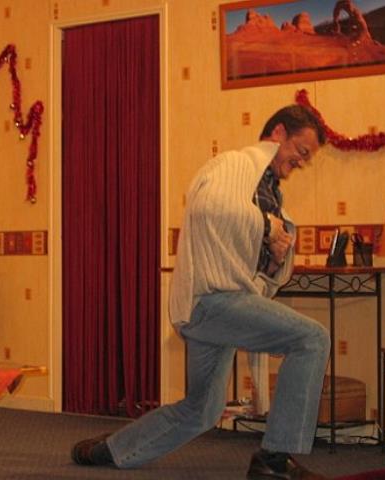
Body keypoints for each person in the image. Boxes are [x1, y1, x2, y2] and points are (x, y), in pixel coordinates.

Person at [71, 105, 331, 480]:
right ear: (278, 133)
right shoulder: (236, 164)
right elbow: (210, 207)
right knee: (311, 339)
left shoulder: (268, 190)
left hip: (218, 305)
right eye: (301, 151)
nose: (301, 162)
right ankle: (273, 461)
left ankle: (108, 450)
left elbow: (256, 265)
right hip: (214, 301)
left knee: (201, 409)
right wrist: (267, 225)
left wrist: (275, 257)